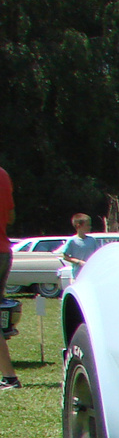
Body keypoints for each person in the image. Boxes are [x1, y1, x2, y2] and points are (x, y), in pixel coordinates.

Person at [0, 165, 17, 391]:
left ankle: (10, 377)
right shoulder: (3, 173)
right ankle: (9, 377)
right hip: (3, 251)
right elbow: (11, 216)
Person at [62, 213, 102, 277]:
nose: (90, 227)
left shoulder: (92, 240)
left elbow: (97, 254)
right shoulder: (72, 241)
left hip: (90, 273)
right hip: (77, 275)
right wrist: (79, 262)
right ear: (78, 226)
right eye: (88, 225)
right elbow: (65, 256)